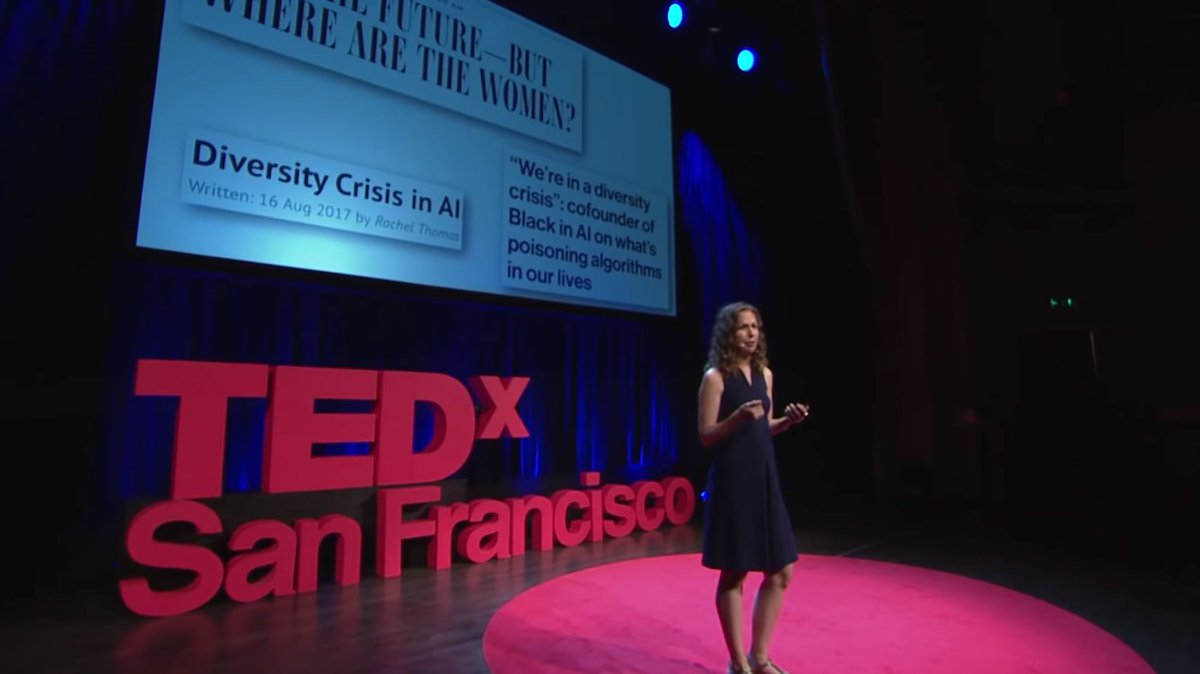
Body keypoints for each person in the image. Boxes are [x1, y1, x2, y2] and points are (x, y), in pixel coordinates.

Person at [697, 302, 810, 674]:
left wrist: (786, 423)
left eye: (756, 327)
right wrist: (735, 418)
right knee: (735, 573)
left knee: (781, 571)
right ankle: (739, 662)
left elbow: (763, 427)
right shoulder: (715, 377)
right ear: (729, 333)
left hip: (765, 480)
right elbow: (707, 436)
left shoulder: (765, 374)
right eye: (744, 327)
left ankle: (760, 658)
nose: (751, 333)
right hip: (732, 484)